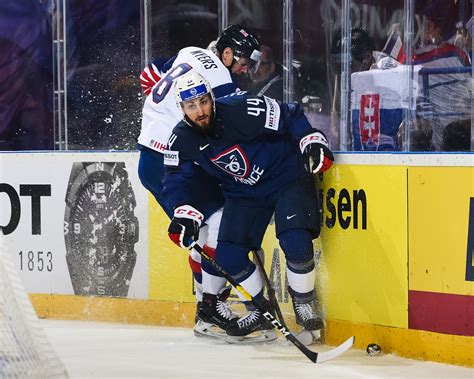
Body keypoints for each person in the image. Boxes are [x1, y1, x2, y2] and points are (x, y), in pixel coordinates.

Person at [164, 72, 334, 339]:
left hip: (284, 176)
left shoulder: (240, 108)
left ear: (211, 99)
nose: (200, 111)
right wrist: (183, 213)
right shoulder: (180, 139)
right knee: (228, 257)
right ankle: (259, 310)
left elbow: (290, 114)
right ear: (181, 108)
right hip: (244, 193)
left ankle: (303, 303)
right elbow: (176, 179)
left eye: (203, 102)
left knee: (295, 240)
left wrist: (309, 140)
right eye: (191, 106)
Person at [136, 25, 261, 337]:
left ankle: (207, 310)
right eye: (243, 59)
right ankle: (209, 308)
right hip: (170, 162)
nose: (246, 67)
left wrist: (159, 112)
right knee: (218, 222)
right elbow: (240, 121)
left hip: (156, 156)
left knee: (205, 229)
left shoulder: (191, 52)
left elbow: (149, 75)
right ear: (228, 53)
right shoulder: (218, 77)